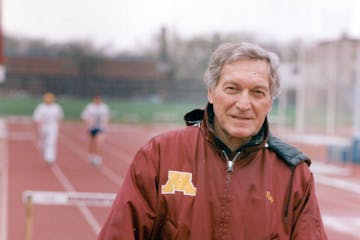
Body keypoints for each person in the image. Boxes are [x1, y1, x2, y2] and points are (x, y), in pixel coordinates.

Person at [98, 42, 327, 239]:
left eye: (258, 92)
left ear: (269, 102)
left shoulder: (294, 176)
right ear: (211, 92)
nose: (244, 104)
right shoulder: (159, 155)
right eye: (232, 89)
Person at [32, 92, 64, 165]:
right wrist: (38, 126)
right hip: (43, 126)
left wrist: (58, 125)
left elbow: (60, 117)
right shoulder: (41, 107)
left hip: (53, 126)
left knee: (51, 142)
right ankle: (45, 153)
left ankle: (50, 158)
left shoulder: (56, 107)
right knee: (43, 143)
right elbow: (36, 118)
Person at [81, 95, 110, 166]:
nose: (97, 101)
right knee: (92, 143)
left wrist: (105, 126)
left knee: (99, 142)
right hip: (92, 128)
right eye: (96, 99)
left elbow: (107, 117)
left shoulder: (104, 107)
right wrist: (88, 124)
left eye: (98, 99)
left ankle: (97, 157)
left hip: (100, 128)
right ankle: (92, 155)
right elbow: (84, 116)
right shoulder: (90, 107)